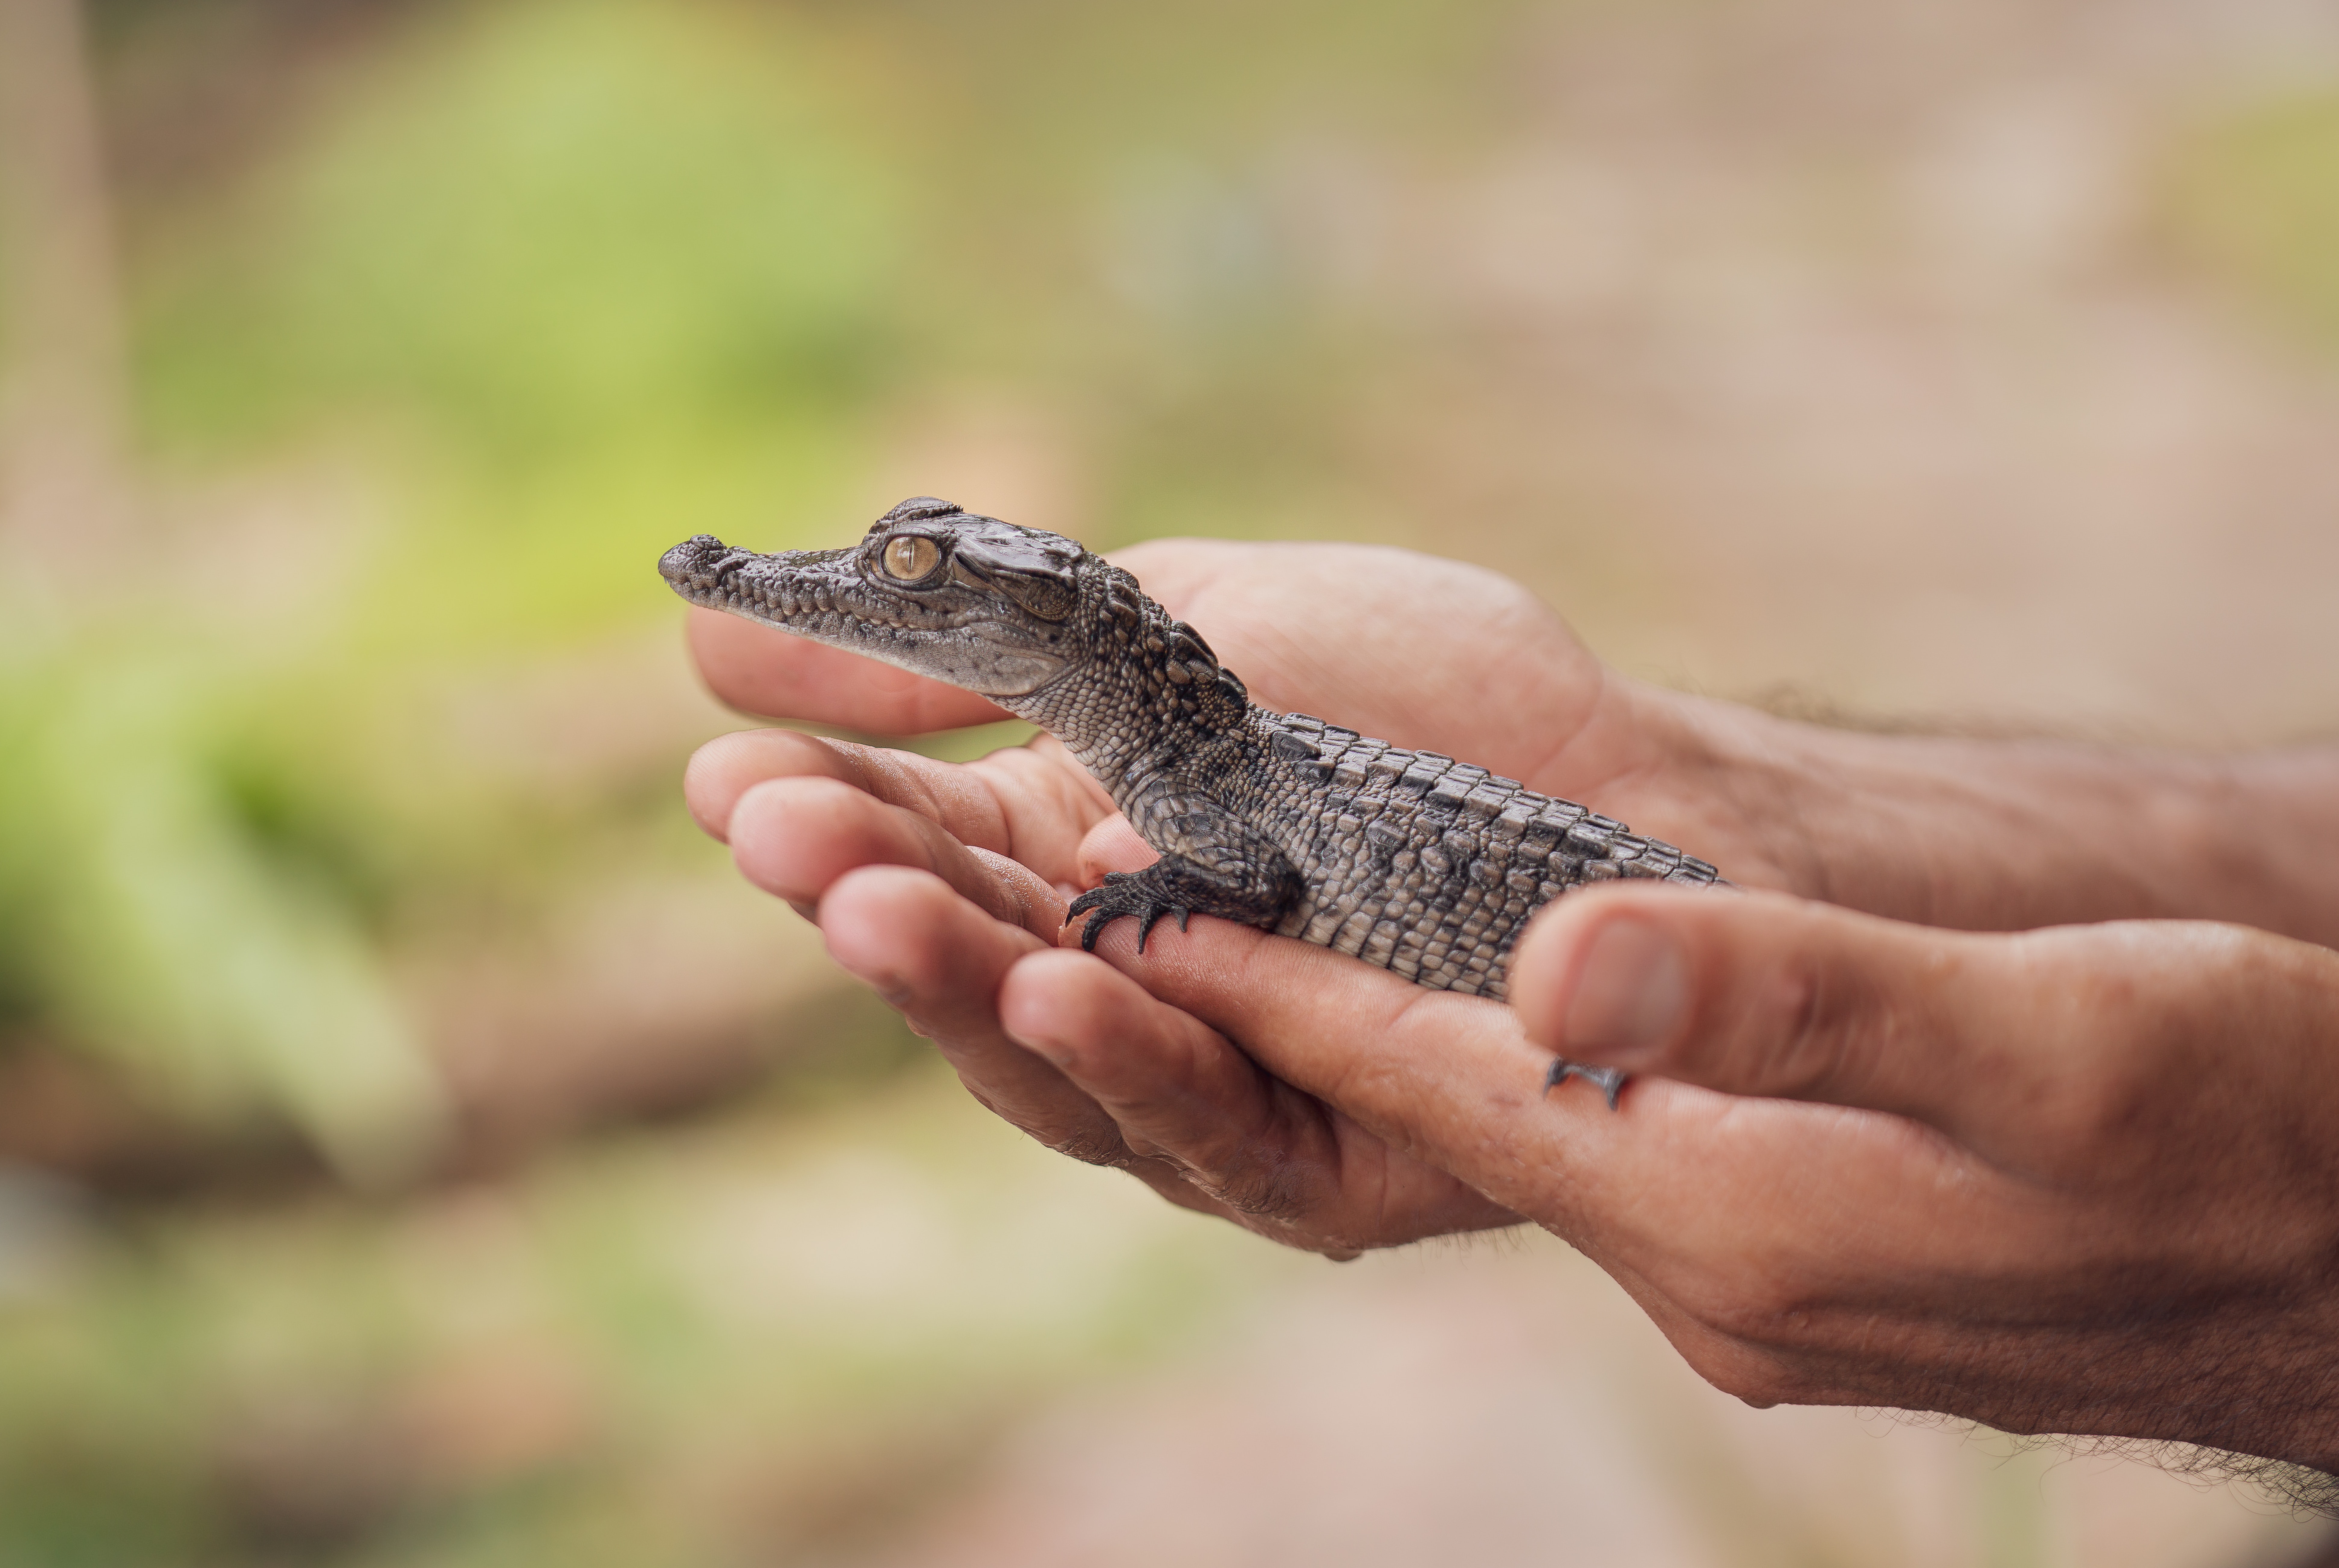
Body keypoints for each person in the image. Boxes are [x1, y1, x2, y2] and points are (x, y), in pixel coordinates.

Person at [680, 535, 2339, 1492]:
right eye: (900, 562)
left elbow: (1244, 886)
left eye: (918, 574)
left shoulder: (1206, 785)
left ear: (1054, 628)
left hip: (1636, 952)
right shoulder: (1195, 755)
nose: (844, 586)